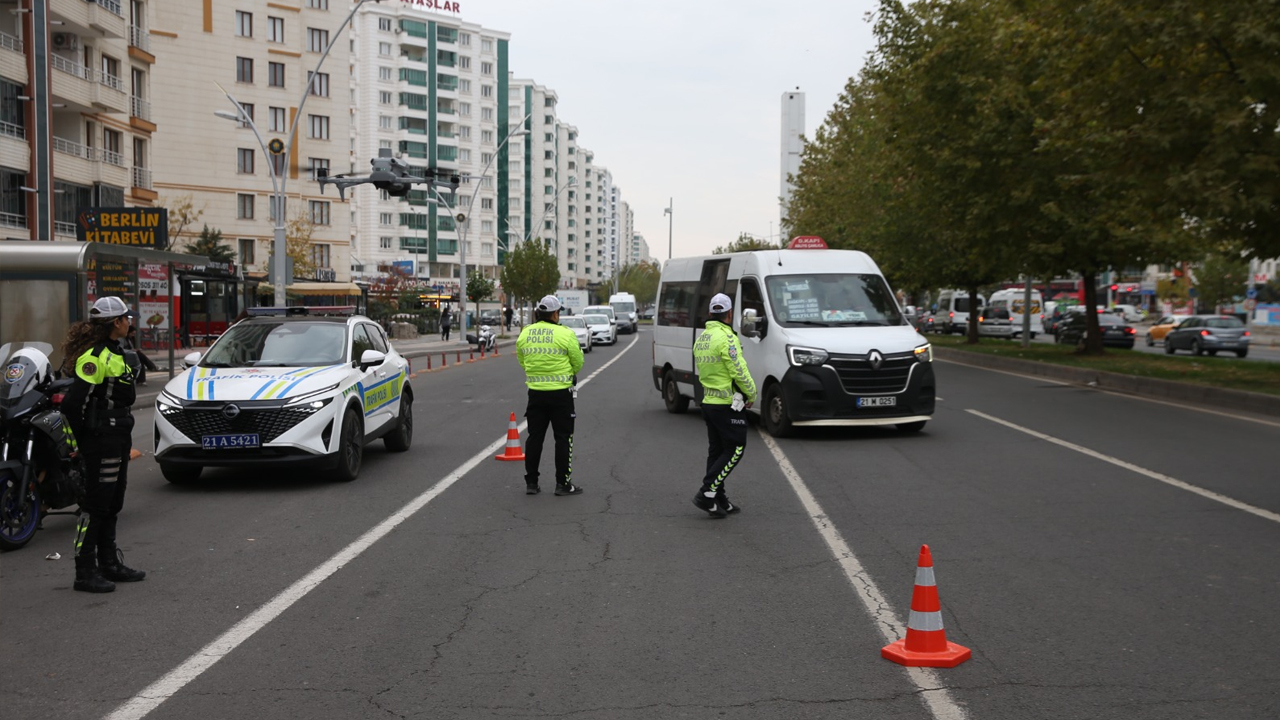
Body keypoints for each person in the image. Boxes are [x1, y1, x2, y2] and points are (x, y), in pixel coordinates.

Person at [60, 296, 146, 593]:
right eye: (126, 318)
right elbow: (72, 405)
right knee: (95, 507)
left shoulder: (117, 352)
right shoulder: (94, 357)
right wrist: (80, 443)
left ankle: (109, 564)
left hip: (119, 437)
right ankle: (84, 571)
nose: (129, 322)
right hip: (101, 440)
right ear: (115, 322)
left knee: (113, 503)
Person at [692, 293, 757, 518]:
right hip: (727, 404)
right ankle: (707, 492)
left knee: (717, 451)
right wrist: (751, 393)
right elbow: (739, 370)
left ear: (711, 313)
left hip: (709, 402)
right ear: (729, 314)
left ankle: (718, 498)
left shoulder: (702, 338)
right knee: (736, 448)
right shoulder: (727, 338)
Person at [516, 295, 585, 496]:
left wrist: (536, 374)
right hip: (561, 395)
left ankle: (531, 483)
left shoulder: (525, 333)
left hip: (536, 394)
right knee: (563, 438)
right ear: (555, 314)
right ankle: (563, 484)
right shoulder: (565, 333)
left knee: (534, 438)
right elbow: (578, 361)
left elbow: (522, 360)